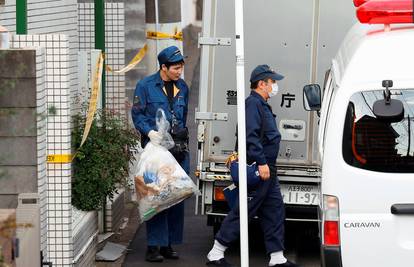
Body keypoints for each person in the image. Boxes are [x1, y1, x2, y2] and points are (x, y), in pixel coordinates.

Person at [206, 65, 301, 267]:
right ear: (261, 83)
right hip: (259, 168)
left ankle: (277, 257)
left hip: (268, 170)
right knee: (244, 210)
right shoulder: (253, 104)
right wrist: (262, 162)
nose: (275, 85)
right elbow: (250, 137)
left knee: (274, 210)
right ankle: (216, 253)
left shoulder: (261, 104)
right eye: (272, 82)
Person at [131, 45, 190, 262]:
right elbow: (137, 114)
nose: (179, 71)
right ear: (163, 67)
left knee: (176, 195)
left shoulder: (182, 87)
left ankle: (168, 244)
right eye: (175, 68)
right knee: (156, 195)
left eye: (181, 67)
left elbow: (183, 115)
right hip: (156, 150)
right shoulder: (145, 86)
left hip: (178, 149)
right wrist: (150, 131)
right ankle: (153, 245)